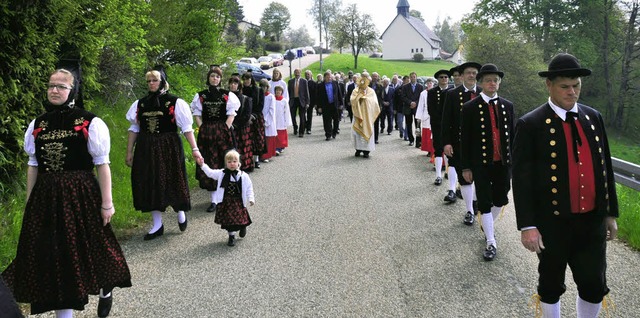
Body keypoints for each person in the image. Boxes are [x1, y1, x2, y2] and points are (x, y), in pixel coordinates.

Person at [2, 67, 131, 318]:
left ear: (73, 90)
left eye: (61, 86)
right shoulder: (38, 124)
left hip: (80, 194)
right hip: (47, 197)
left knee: (93, 247)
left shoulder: (89, 122)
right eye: (51, 85)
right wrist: (30, 201)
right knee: (57, 255)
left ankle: (105, 287)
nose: (54, 90)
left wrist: (107, 203)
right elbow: (33, 166)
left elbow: (102, 164)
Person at [512, 53, 618, 318]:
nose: (572, 92)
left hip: (591, 221)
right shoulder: (531, 124)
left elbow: (604, 168)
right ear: (549, 85)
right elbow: (522, 180)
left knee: (594, 284)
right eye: (565, 86)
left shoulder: (593, 118)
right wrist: (528, 226)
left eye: (577, 85)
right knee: (550, 284)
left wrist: (609, 213)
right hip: (552, 222)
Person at [127, 66, 200, 239]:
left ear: (162, 82)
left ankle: (180, 211)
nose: (151, 84)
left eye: (155, 80)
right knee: (149, 182)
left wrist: (195, 149)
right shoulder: (140, 104)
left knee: (173, 178)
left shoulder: (175, 102)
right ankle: (157, 224)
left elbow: (186, 128)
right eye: (149, 81)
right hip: (146, 147)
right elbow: (134, 128)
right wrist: (129, 151)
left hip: (169, 146)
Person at [460, 64, 515, 261]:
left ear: (499, 83)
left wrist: (514, 162)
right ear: (481, 83)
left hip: (504, 163)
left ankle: (486, 222)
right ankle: (491, 241)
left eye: (496, 80)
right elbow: (464, 139)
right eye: (488, 80)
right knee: (484, 201)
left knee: (501, 199)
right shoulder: (470, 108)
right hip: (480, 164)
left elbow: (513, 137)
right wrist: (465, 166)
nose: (492, 83)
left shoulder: (507, 106)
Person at [190, 67, 241, 213]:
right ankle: (213, 199)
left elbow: (232, 114)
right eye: (212, 76)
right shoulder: (201, 96)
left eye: (217, 77)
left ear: (220, 79)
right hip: (207, 134)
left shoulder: (227, 95)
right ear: (209, 78)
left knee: (223, 161)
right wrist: (203, 128)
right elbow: (197, 114)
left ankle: (224, 196)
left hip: (222, 133)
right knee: (209, 162)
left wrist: (225, 128)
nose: (215, 79)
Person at [442, 62, 482, 225]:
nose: (471, 75)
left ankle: (477, 203)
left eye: (474, 73)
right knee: (465, 178)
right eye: (468, 73)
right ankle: (470, 211)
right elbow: (446, 121)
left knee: (480, 177)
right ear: (463, 75)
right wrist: (446, 143)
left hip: (481, 145)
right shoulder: (452, 94)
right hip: (459, 144)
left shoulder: (483, 93)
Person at [197, 150, 255, 247]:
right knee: (229, 221)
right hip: (226, 202)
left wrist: (251, 198)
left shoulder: (244, 176)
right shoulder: (222, 174)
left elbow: (249, 188)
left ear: (238, 163)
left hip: (238, 201)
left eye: (234, 161)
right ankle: (231, 236)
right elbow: (210, 173)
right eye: (229, 162)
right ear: (226, 163)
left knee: (240, 218)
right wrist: (202, 165)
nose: (232, 164)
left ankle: (242, 226)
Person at [428, 69, 451, 186]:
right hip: (437, 124)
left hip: (450, 125)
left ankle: (447, 170)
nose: (444, 79)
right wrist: (441, 121)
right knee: (438, 149)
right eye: (441, 77)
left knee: (449, 149)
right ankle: (438, 175)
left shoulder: (452, 91)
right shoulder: (432, 92)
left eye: (446, 77)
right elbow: (431, 110)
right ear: (438, 79)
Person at [351, 74, 381, 158]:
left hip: (368, 116)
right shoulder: (355, 91)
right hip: (358, 115)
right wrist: (359, 97)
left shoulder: (371, 91)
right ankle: (358, 149)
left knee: (367, 130)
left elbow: (374, 102)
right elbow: (352, 99)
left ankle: (366, 151)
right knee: (357, 133)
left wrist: (365, 98)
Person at [229, 76, 254, 171]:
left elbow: (247, 115)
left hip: (242, 127)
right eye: (231, 83)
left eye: (235, 83)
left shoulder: (246, 99)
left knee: (243, 147)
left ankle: (245, 166)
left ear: (239, 86)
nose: (232, 85)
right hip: (230, 126)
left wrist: (236, 125)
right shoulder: (226, 98)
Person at [242, 72, 266, 169]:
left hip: (256, 117)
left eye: (248, 79)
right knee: (247, 139)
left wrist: (253, 115)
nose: (246, 81)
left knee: (257, 139)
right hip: (245, 118)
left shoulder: (259, 90)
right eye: (244, 79)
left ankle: (256, 160)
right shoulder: (242, 91)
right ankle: (248, 160)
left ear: (251, 79)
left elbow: (261, 105)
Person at [317, 71, 343, 141]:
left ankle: (334, 132)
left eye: (330, 77)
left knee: (336, 119)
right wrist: (319, 107)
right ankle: (328, 134)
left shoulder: (335, 83)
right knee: (326, 120)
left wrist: (341, 103)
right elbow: (318, 97)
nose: (329, 78)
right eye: (328, 77)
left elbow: (339, 94)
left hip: (334, 104)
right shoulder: (320, 85)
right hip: (325, 105)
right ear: (324, 77)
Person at [401, 72, 423, 146]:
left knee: (418, 126)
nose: (413, 78)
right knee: (409, 125)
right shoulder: (405, 87)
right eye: (411, 77)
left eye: (414, 77)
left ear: (416, 77)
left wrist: (415, 103)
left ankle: (418, 142)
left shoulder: (420, 87)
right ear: (409, 78)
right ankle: (411, 140)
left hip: (417, 109)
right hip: (408, 108)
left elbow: (421, 97)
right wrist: (410, 103)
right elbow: (403, 97)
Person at [415, 77, 436, 154]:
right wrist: (419, 118)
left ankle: (433, 149)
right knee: (426, 133)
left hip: (434, 115)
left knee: (433, 133)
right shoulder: (423, 93)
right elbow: (421, 105)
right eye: (428, 83)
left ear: (433, 83)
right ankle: (428, 150)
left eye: (431, 83)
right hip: (426, 115)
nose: (429, 84)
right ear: (426, 84)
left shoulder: (436, 91)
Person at [288, 68, 310, 137]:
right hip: (293, 100)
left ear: (300, 73)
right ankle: (295, 127)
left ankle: (301, 132)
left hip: (302, 101)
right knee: (292, 116)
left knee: (302, 117)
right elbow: (288, 92)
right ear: (294, 73)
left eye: (298, 72)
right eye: (296, 72)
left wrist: (307, 102)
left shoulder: (304, 81)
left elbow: (307, 92)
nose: (297, 73)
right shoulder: (290, 81)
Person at [260, 79, 277, 161]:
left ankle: (267, 155)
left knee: (268, 138)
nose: (262, 88)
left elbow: (272, 110)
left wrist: (265, 120)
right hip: (260, 119)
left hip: (268, 121)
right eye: (261, 86)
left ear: (267, 87)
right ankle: (262, 155)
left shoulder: (271, 97)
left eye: (264, 87)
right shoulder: (260, 95)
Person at [273, 85, 292, 153]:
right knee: (275, 133)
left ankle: (280, 147)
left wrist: (287, 121)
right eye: (277, 90)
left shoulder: (284, 100)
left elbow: (287, 111)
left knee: (281, 134)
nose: (278, 92)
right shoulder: (273, 99)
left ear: (282, 92)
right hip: (274, 119)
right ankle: (276, 147)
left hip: (281, 119)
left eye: (279, 90)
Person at [369, 72, 384, 144]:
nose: (375, 78)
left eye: (376, 76)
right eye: (373, 76)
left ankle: (376, 138)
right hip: (368, 107)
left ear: (378, 77)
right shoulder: (368, 85)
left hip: (376, 107)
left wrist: (380, 106)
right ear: (371, 77)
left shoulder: (380, 86)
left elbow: (381, 97)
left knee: (376, 123)